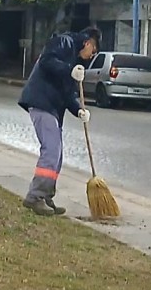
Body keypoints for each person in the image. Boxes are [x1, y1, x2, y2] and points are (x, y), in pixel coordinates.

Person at [18, 27, 100, 216]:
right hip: (42, 102)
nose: (92, 55)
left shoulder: (75, 61)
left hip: (54, 108)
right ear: (87, 43)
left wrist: (78, 110)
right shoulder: (64, 42)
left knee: (58, 155)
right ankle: (35, 197)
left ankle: (46, 196)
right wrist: (69, 70)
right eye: (93, 50)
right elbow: (47, 61)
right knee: (51, 151)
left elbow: (68, 94)